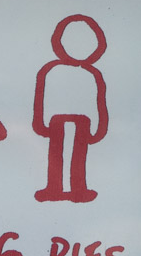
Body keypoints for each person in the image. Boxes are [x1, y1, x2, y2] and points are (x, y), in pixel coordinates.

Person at [32, 13, 107, 203]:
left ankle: (78, 189)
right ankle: (54, 188)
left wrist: (99, 130)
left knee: (78, 158)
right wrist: (40, 124)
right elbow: (40, 99)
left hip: (83, 124)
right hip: (56, 122)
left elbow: (100, 103)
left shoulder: (93, 74)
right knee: (56, 157)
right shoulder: (51, 70)